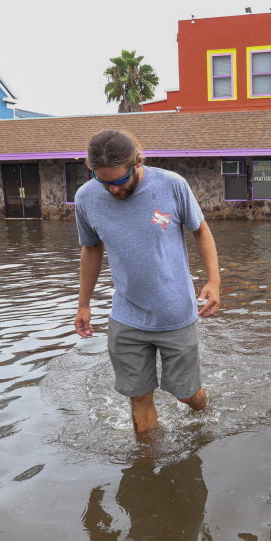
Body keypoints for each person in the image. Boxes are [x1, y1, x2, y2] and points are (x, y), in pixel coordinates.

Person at [73, 129, 220, 433]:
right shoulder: (86, 198)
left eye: (118, 181)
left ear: (138, 162)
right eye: (103, 181)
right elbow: (91, 249)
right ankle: (146, 466)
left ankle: (203, 417)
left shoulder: (171, 185)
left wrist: (213, 281)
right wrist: (83, 305)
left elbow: (201, 231)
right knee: (138, 398)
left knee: (187, 394)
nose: (112, 190)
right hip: (126, 316)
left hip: (175, 313)